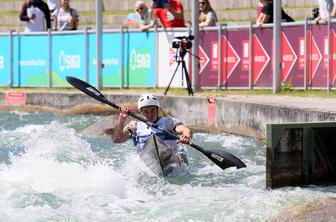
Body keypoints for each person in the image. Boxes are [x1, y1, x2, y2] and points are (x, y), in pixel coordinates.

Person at [112, 94, 192, 165]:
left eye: (152, 110)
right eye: (146, 111)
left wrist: (185, 136)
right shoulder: (134, 126)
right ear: (141, 112)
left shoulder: (168, 122)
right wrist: (121, 120)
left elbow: (186, 130)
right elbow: (117, 139)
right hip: (148, 165)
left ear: (157, 109)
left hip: (174, 162)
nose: (150, 114)